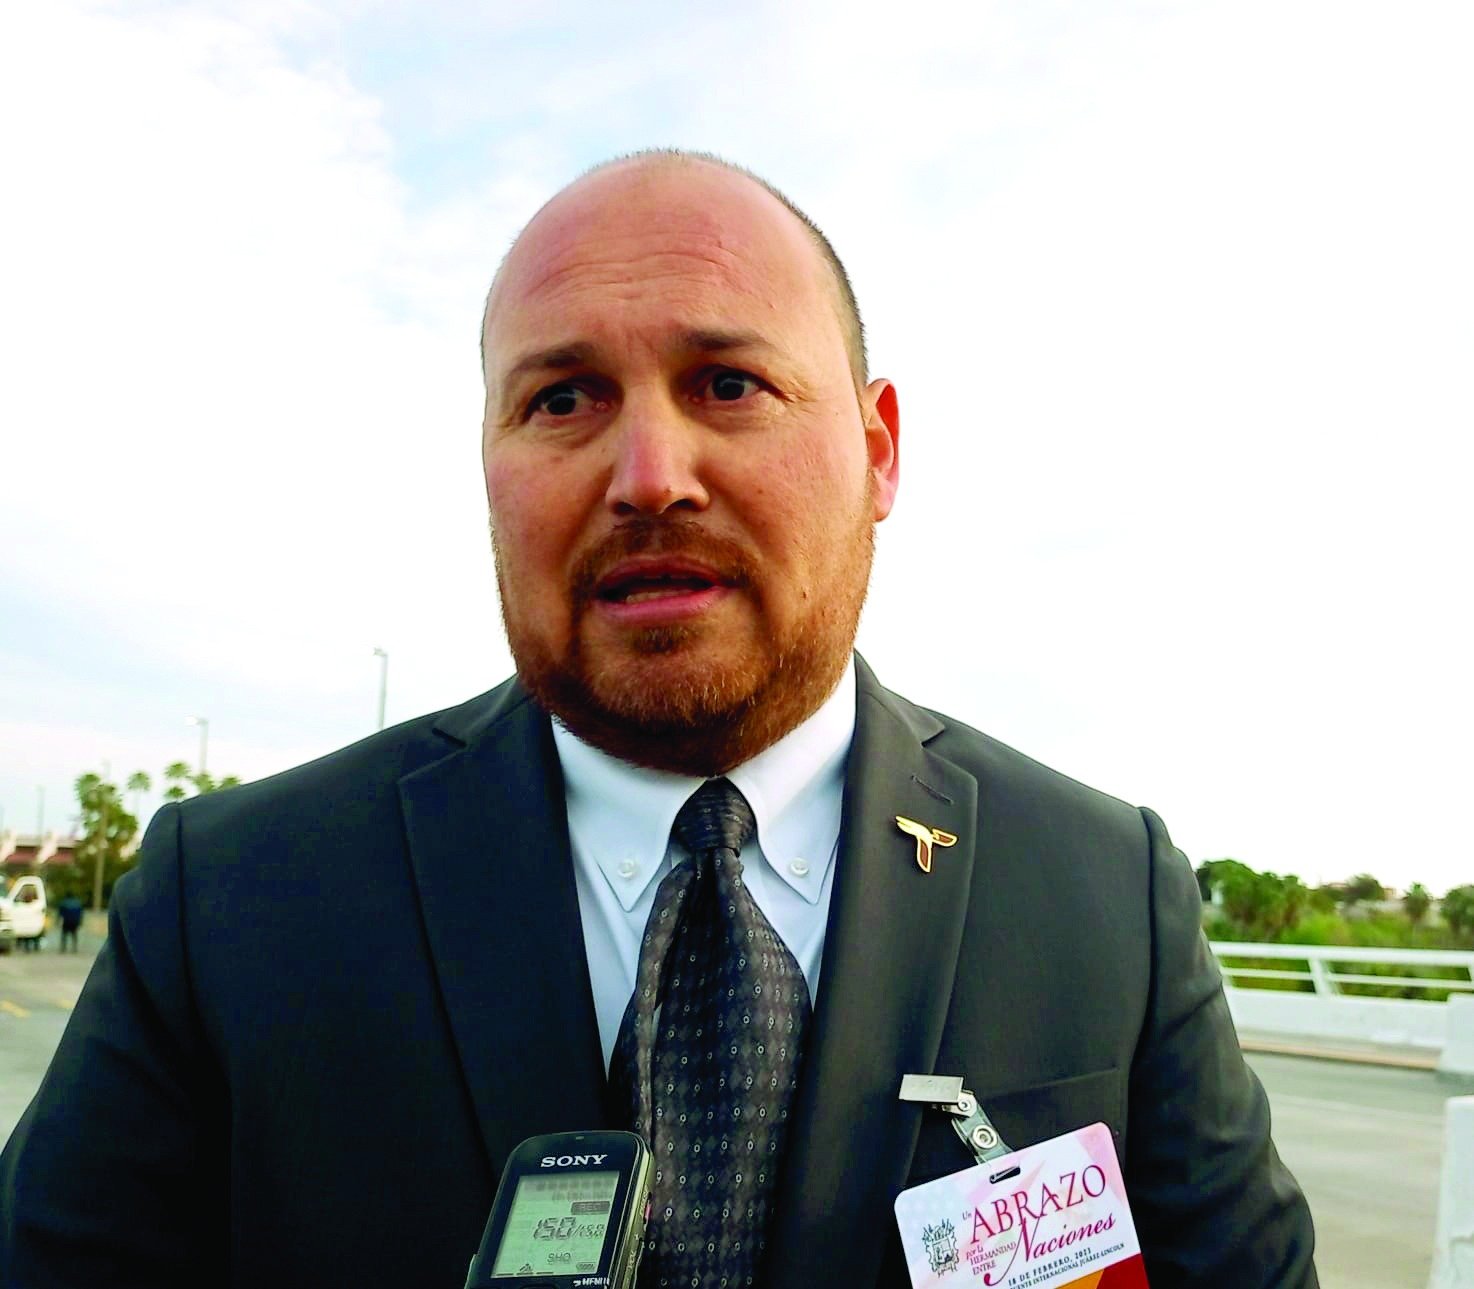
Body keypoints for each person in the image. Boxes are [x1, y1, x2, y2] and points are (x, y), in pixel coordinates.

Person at [0, 151, 1317, 1287]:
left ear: (878, 451)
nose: (648, 476)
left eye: (728, 383)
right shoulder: (230, 902)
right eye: (561, 398)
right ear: (488, 464)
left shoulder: (1104, 892)